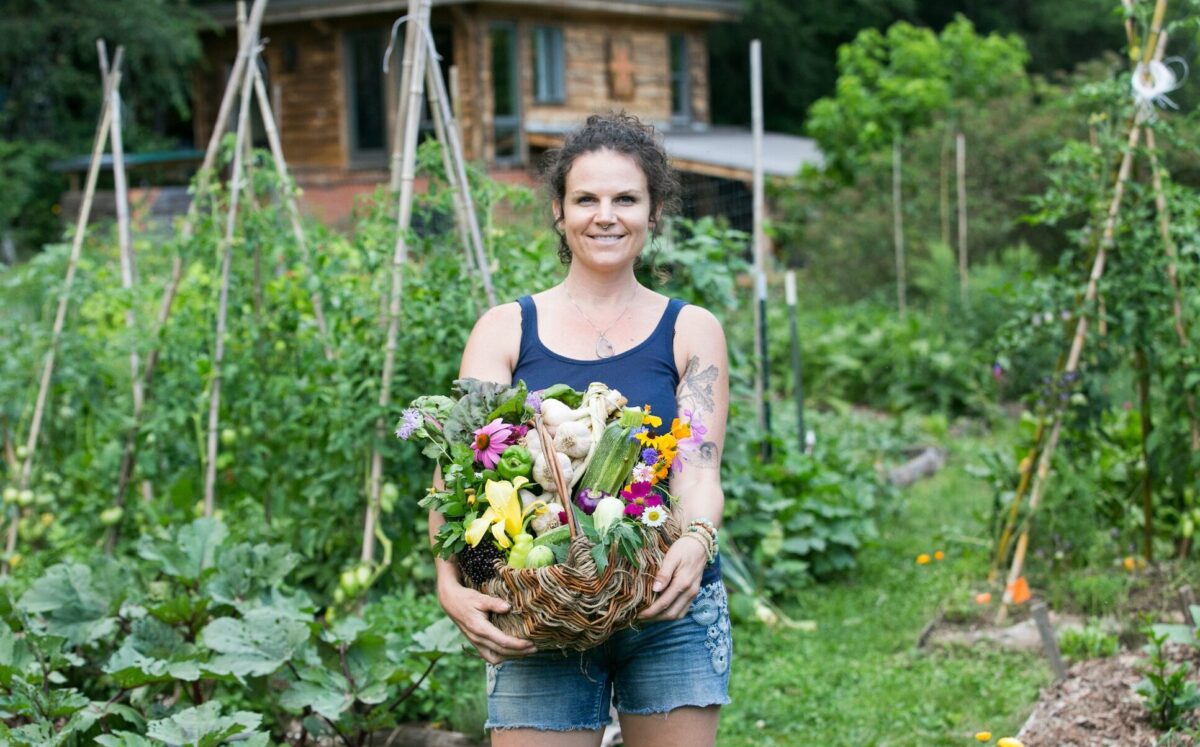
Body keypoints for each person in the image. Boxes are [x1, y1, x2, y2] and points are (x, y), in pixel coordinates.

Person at [430, 112, 731, 747]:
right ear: (560, 215)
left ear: (654, 214)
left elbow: (699, 467)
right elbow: (458, 475)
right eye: (586, 198)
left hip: (665, 600)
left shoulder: (690, 329)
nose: (606, 215)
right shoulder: (505, 328)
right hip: (537, 604)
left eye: (626, 198)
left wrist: (697, 543)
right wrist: (450, 583)